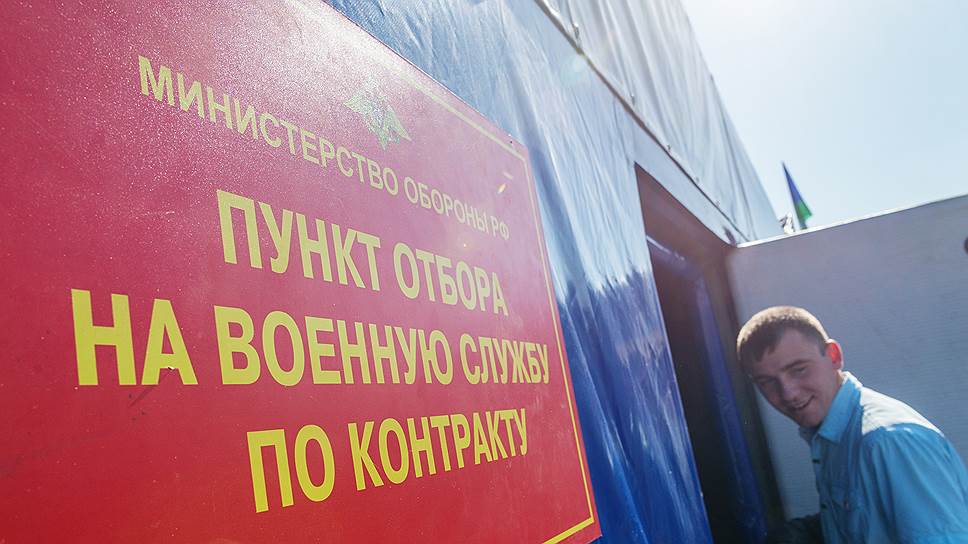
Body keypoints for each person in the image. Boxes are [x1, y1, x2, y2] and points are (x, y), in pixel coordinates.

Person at [736, 306, 968, 543]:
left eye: (799, 370)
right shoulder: (834, 434)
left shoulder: (888, 441)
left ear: (834, 356)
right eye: (767, 382)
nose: (788, 393)